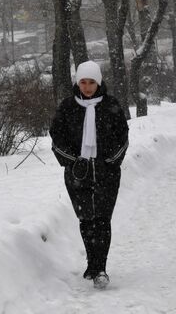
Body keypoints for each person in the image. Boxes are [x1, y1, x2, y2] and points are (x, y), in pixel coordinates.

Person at [49, 60, 129, 289]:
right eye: (83, 82)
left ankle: (100, 268)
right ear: (77, 82)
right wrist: (73, 161)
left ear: (98, 82)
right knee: (86, 219)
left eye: (91, 82)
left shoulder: (111, 106)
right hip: (77, 174)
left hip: (107, 173)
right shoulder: (67, 107)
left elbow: (123, 137)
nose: (87, 87)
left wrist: (111, 161)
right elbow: (56, 137)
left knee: (102, 219)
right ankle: (92, 262)